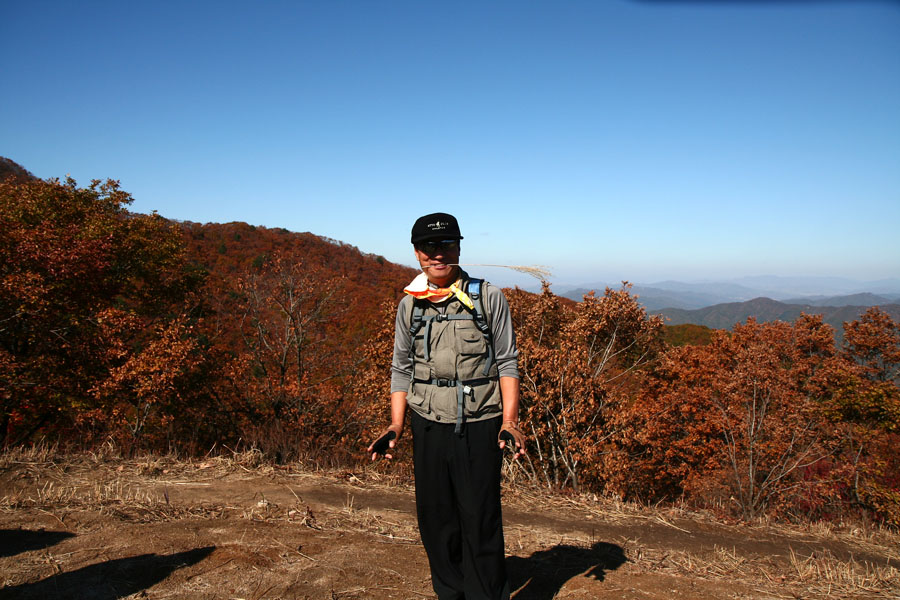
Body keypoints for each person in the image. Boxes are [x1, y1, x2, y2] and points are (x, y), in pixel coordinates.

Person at [368, 212, 526, 600]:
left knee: (479, 516)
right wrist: (396, 425)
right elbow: (401, 368)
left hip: (480, 422)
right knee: (436, 519)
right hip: (428, 422)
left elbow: (507, 361)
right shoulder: (410, 305)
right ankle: (450, 593)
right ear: (416, 252)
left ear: (458, 248)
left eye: (446, 245)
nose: (437, 254)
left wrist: (510, 421)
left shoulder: (487, 297)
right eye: (428, 247)